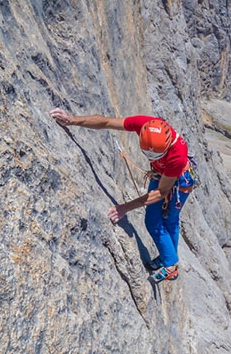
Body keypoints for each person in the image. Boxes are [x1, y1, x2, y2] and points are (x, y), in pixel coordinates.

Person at [50, 108, 196, 282]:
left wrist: (125, 207)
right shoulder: (144, 125)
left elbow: (161, 192)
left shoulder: (177, 154)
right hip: (161, 173)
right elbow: (106, 122)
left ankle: (170, 265)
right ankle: (169, 258)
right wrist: (73, 120)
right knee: (165, 220)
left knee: (157, 220)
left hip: (179, 182)